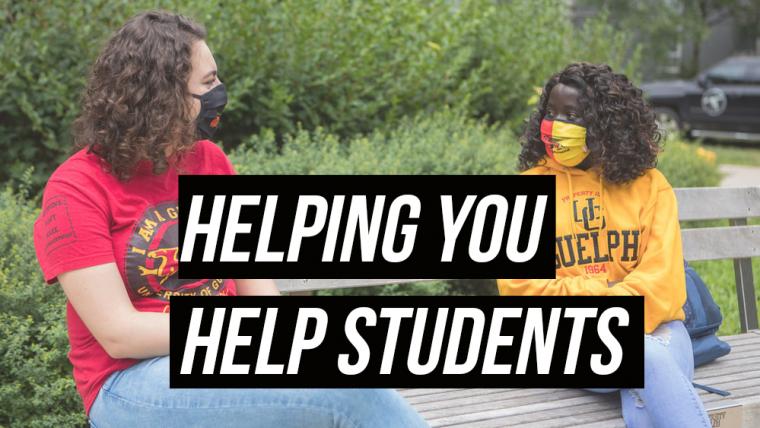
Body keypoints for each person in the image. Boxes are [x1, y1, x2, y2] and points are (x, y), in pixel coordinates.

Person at [32, 11, 427, 428]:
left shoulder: (208, 162)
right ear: (160, 96)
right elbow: (118, 334)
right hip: (129, 383)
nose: (219, 92)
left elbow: (256, 291)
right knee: (346, 393)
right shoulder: (76, 188)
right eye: (207, 83)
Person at [497, 63, 710, 427]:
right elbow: (522, 292)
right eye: (550, 113)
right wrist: (608, 294)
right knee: (651, 359)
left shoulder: (650, 186)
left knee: (644, 372)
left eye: (572, 115)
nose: (554, 125)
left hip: (655, 326)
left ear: (605, 124)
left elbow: (664, 284)